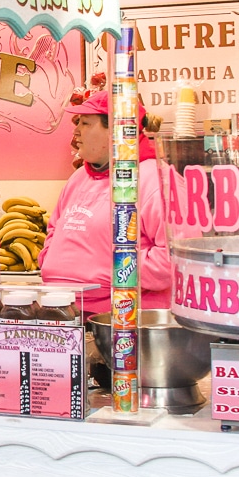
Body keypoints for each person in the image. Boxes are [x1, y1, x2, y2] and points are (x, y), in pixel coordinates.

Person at [37, 90, 172, 317]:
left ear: (116, 130)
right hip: (64, 311)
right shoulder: (79, 178)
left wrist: (109, 270)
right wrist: (50, 260)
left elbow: (171, 260)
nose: (76, 131)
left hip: (122, 320)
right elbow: (54, 230)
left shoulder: (155, 179)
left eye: (86, 123)